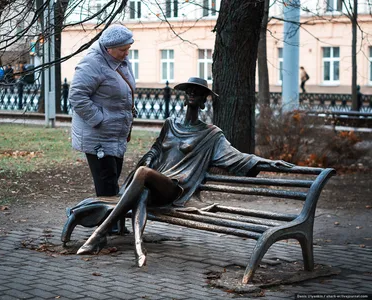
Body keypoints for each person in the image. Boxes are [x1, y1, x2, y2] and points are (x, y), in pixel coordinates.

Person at [76, 77, 294, 267]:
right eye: (189, 90)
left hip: (176, 189)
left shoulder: (211, 135)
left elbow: (238, 158)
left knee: (142, 173)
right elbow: (155, 150)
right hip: (154, 184)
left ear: (203, 100)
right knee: (141, 190)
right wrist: (151, 159)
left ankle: (99, 233)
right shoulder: (170, 124)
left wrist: (270, 163)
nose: (192, 93)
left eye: (198, 92)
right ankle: (138, 248)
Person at [68, 24, 135, 230]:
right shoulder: (92, 64)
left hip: (116, 133)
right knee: (106, 182)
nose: (126, 53)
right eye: (123, 49)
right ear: (108, 48)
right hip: (98, 135)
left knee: (113, 179)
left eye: (128, 48)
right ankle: (107, 227)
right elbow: (77, 97)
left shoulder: (120, 61)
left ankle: (114, 224)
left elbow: (125, 91)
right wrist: (100, 120)